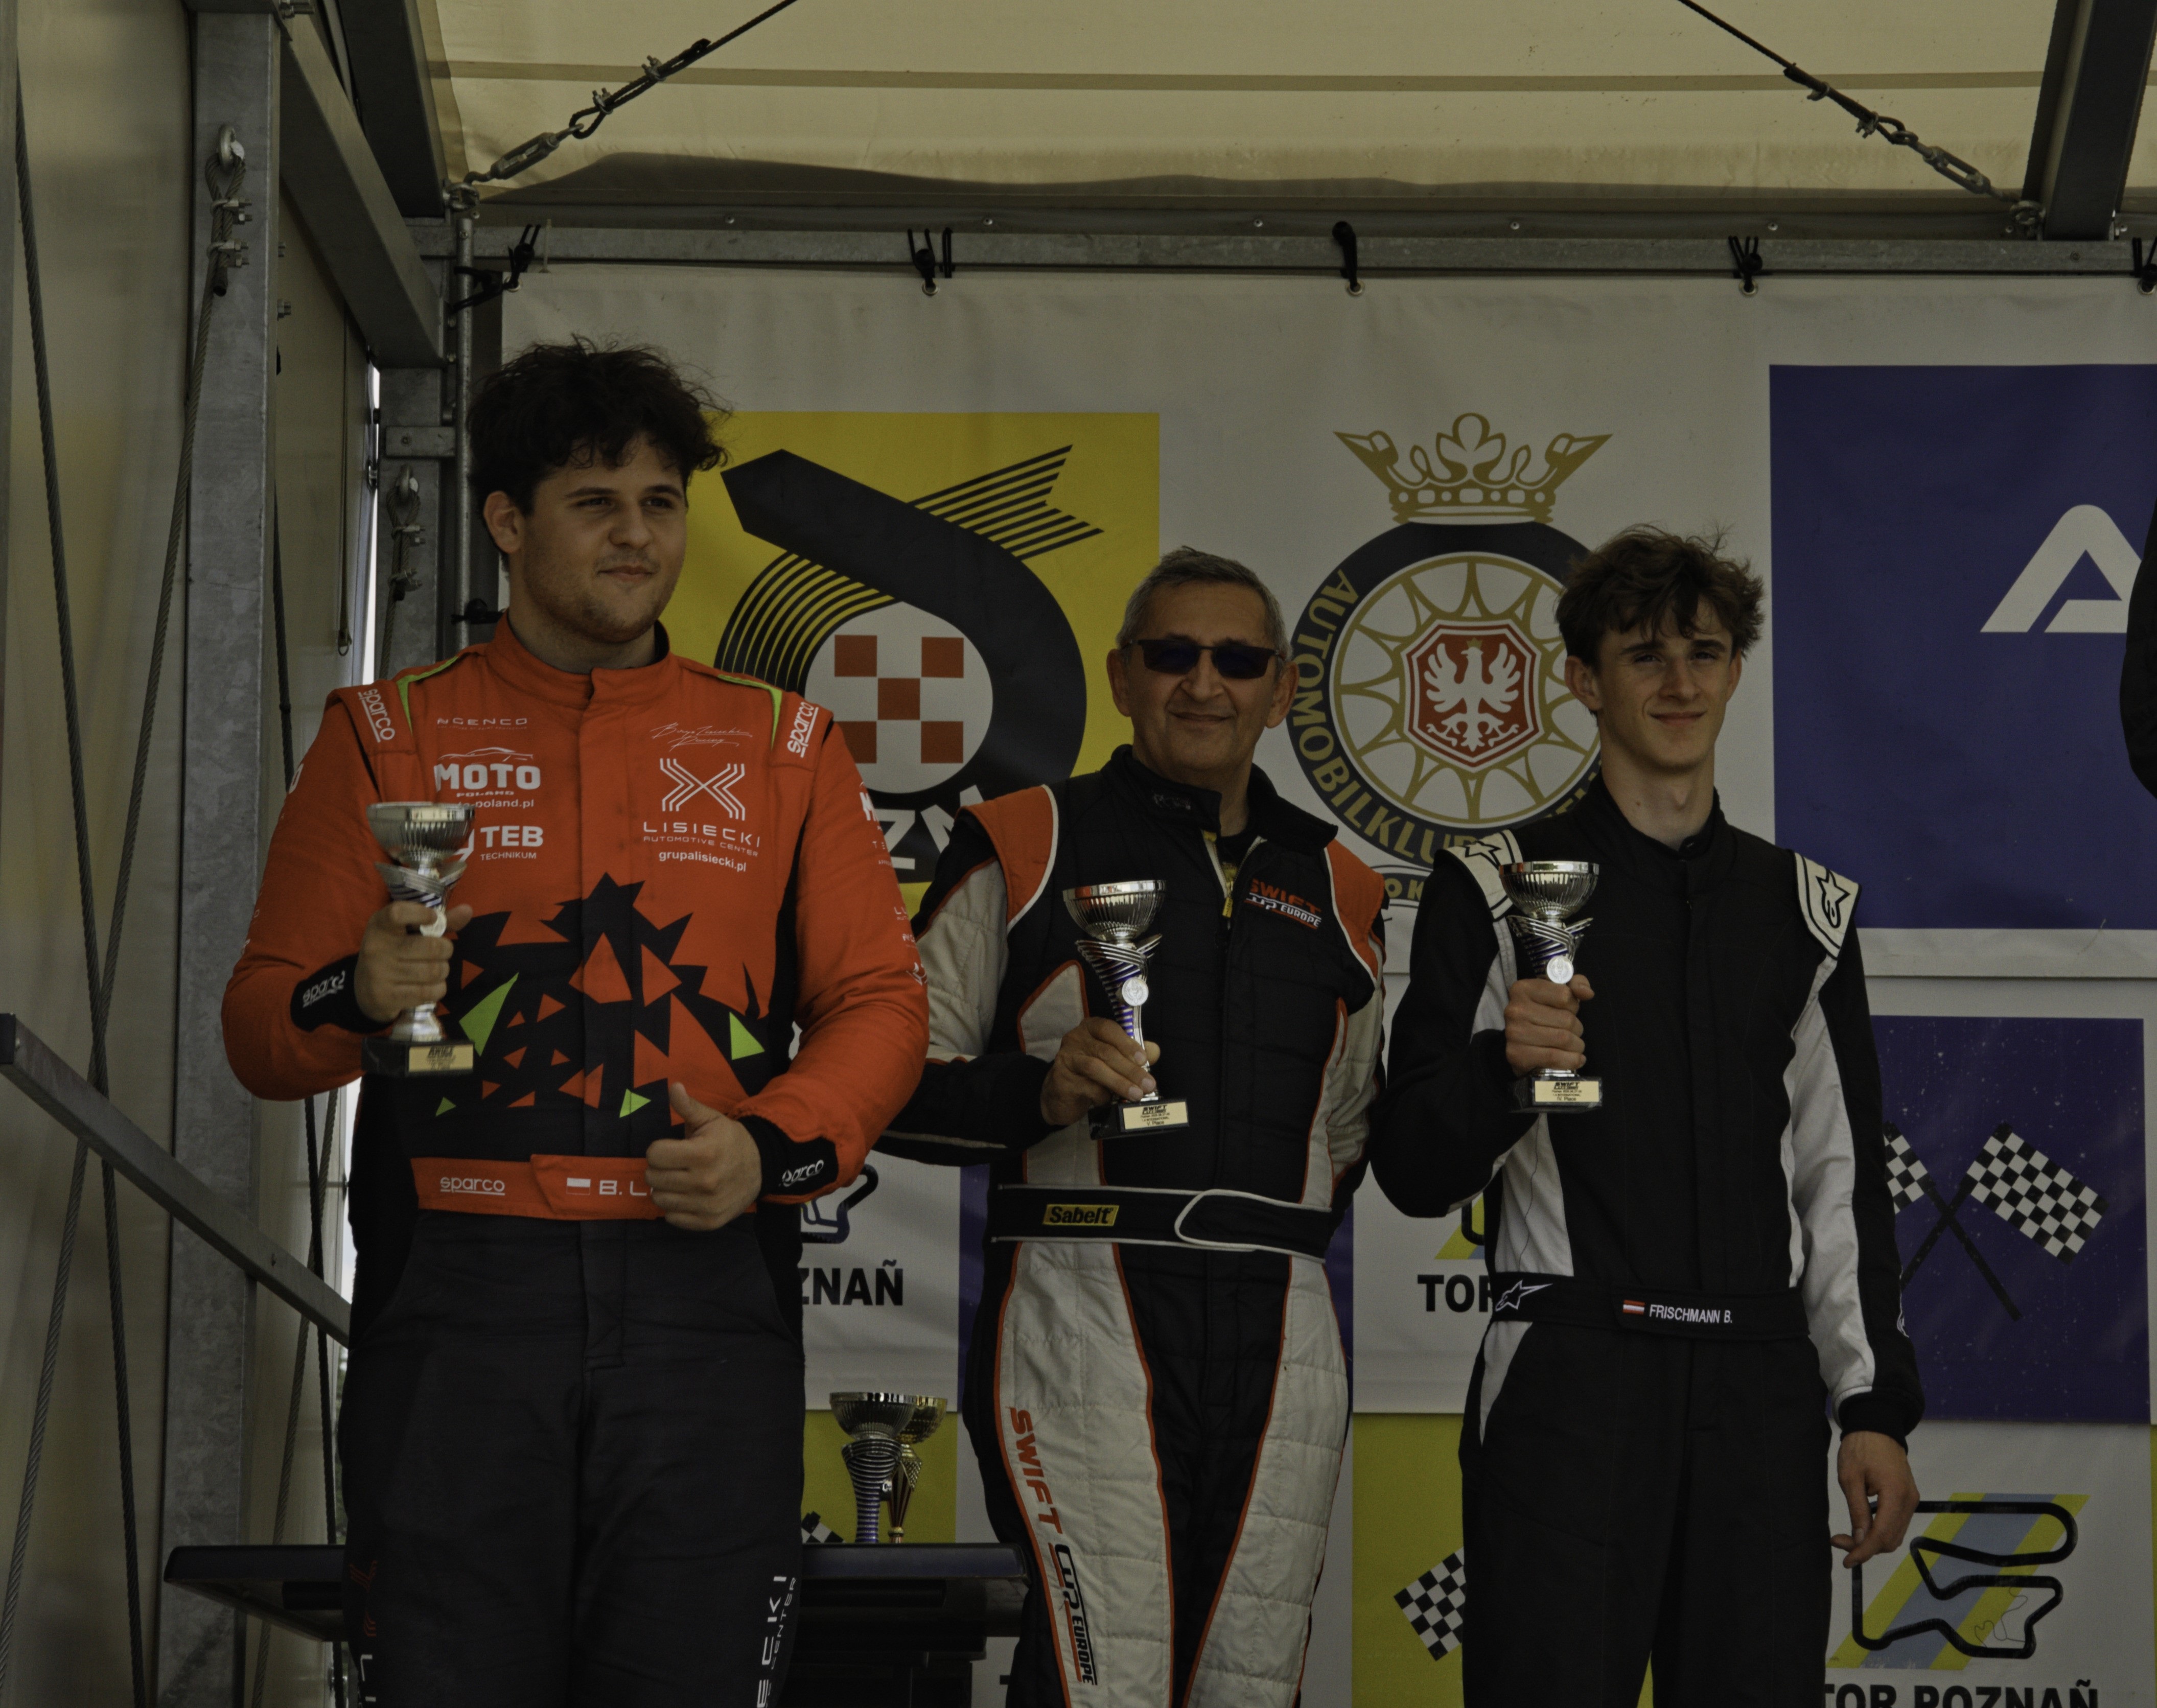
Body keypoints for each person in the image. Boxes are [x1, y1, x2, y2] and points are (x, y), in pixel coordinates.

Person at [222, 340, 929, 1707]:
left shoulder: (783, 743)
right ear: (506, 520)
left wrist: (770, 1149)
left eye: (660, 503)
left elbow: (878, 1005)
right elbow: (260, 1030)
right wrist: (352, 994)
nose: (635, 536)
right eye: (595, 502)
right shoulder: (384, 733)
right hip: (462, 1299)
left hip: (700, 1296)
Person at [1369, 527, 1922, 1706]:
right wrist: (1501, 1069)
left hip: (1757, 1390)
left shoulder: (1804, 910)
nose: (1678, 683)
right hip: (1570, 1377)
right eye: (1643, 655)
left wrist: (1870, 1408)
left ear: (1734, 671)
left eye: (1702, 653)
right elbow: (1410, 1165)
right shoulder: (1491, 887)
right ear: (1582, 678)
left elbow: (1837, 1182)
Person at [879, 549, 1386, 1707]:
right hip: (1082, 1306)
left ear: (1281, 688)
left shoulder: (1342, 884)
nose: (1203, 684)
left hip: (1282, 1327)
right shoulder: (1020, 841)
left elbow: (1345, 1130)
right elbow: (888, 1084)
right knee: (1096, 1685)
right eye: (1171, 655)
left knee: (1249, 1687)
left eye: (1237, 660)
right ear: (1120, 675)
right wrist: (1039, 1094)